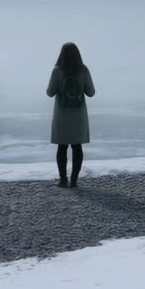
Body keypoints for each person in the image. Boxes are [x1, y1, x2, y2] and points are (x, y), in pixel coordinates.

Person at [46, 41, 95, 188]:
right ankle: (74, 181)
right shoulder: (83, 70)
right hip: (78, 115)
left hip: (62, 115)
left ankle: (63, 180)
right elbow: (91, 93)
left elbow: (50, 93)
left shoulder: (57, 71)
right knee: (77, 147)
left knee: (62, 147)